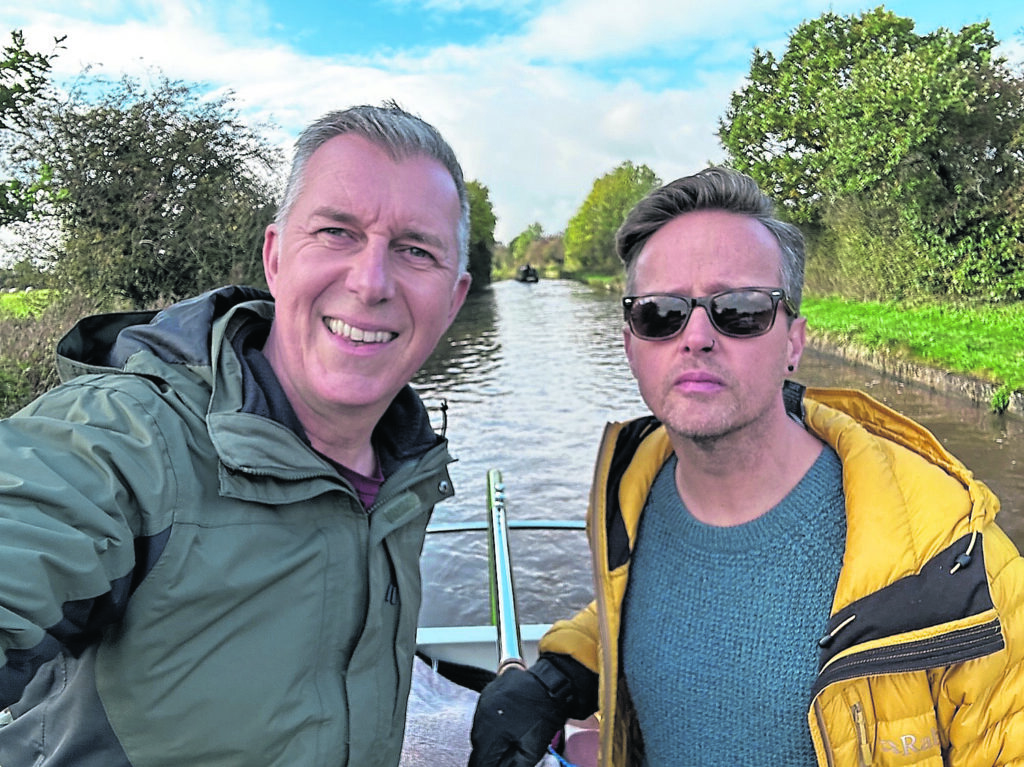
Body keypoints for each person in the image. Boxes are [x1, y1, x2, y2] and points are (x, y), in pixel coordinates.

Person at [468, 167, 1024, 766]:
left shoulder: (958, 570)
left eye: (739, 309)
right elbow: (652, 605)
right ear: (631, 344)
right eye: (660, 313)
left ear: (794, 341)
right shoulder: (632, 489)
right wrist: (560, 674)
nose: (697, 337)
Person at [0, 102, 472, 766]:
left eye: (415, 249)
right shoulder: (130, 442)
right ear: (276, 258)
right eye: (337, 232)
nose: (370, 282)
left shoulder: (404, 470)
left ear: (452, 300)